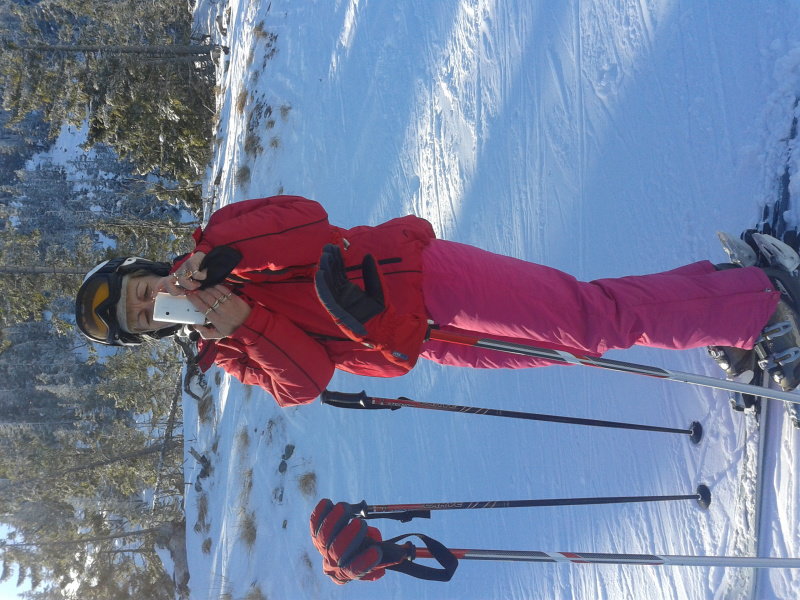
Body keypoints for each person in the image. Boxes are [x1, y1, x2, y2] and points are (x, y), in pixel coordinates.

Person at [75, 194, 799, 407]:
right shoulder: (231, 352)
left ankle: (758, 300)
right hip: (418, 338)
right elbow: (307, 382)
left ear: (146, 270)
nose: (150, 303)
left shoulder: (219, 236)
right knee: (578, 340)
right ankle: (716, 300)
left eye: (139, 291)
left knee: (585, 320)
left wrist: (222, 259)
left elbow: (309, 224)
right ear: (152, 334)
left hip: (420, 278)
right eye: (140, 318)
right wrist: (249, 323)